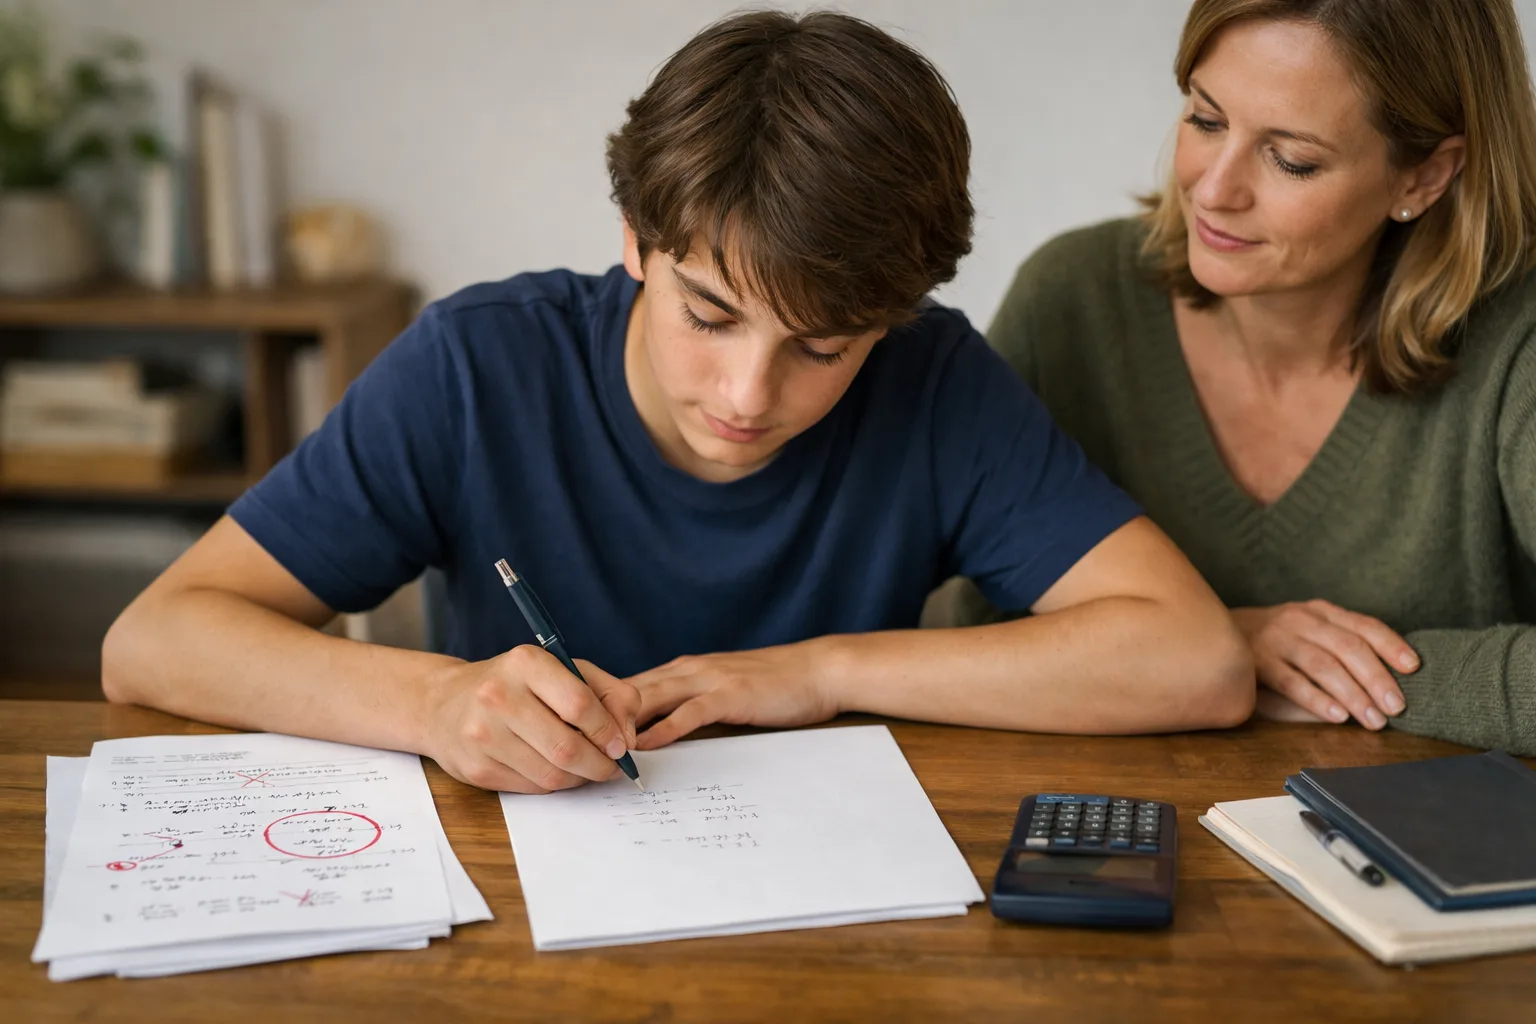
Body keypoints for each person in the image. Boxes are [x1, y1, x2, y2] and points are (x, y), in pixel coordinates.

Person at [102, 11, 1252, 794]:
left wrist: (817, 671)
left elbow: (1193, 661)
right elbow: (154, 640)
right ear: (637, 242)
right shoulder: (478, 366)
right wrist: (437, 705)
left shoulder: (933, 378)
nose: (751, 395)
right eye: (710, 316)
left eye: (824, 345)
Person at [965, 0, 1536, 754]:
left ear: (1426, 176)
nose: (1214, 189)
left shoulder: (1517, 341)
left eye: (1290, 159)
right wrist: (1206, 651)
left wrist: (1304, 675)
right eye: (1205, 119)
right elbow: (961, 630)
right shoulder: (1072, 299)